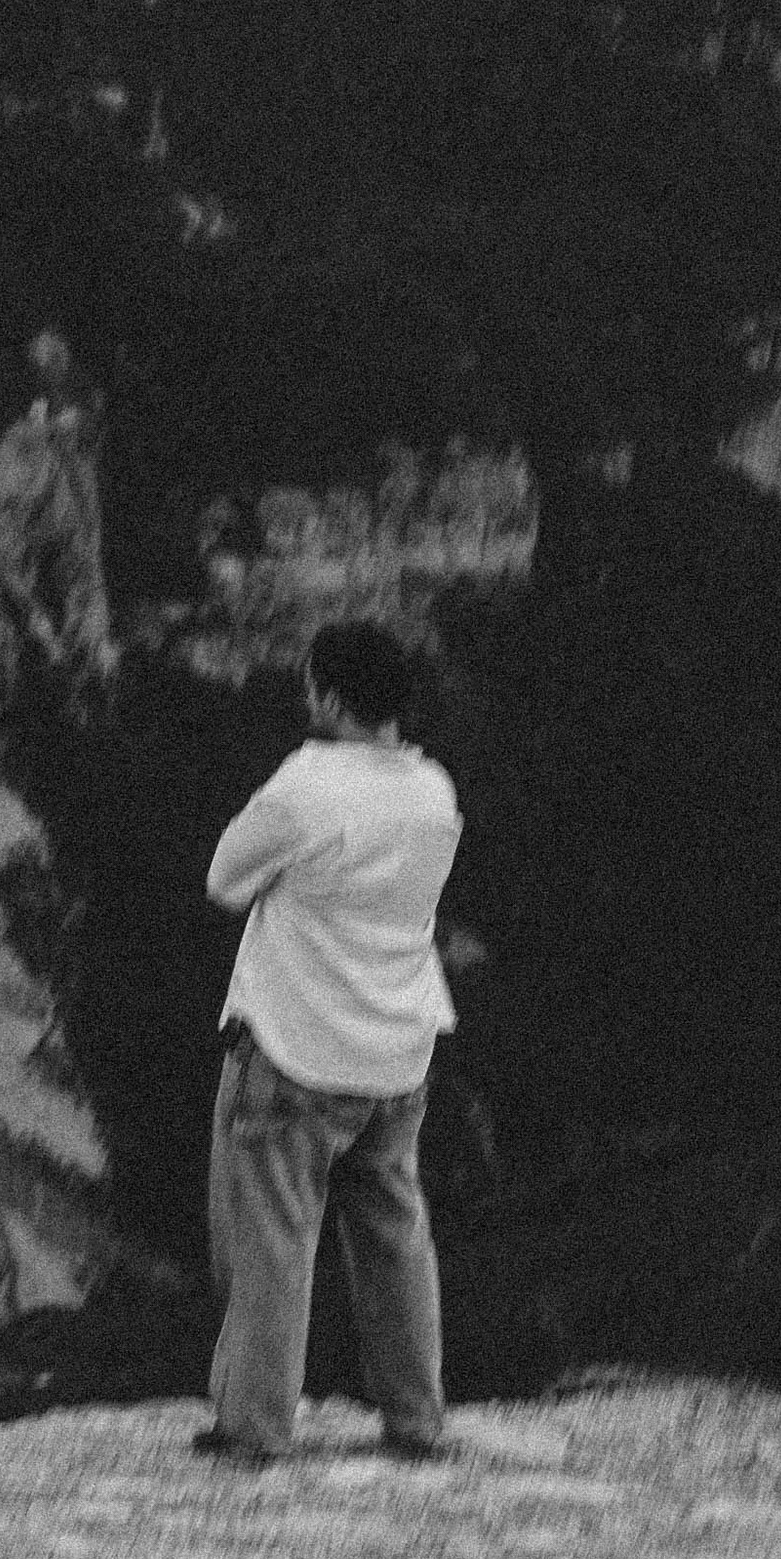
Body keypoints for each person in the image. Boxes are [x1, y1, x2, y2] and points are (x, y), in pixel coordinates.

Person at [200, 620, 461, 1462]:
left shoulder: (308, 786)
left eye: (312, 682)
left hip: (296, 1044)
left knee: (273, 1239)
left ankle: (256, 1426)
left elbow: (224, 880)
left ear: (334, 698)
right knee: (393, 1234)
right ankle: (416, 1418)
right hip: (398, 1048)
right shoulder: (433, 791)